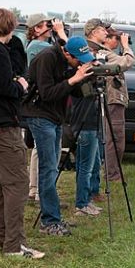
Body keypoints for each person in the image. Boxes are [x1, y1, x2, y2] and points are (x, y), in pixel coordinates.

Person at [0, 8, 44, 258]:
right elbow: (4, 86)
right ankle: (14, 245)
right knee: (16, 183)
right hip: (5, 124)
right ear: (10, 27)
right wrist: (21, 85)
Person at [23, 36, 94, 236]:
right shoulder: (47, 58)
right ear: (67, 53)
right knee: (48, 169)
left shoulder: (68, 62)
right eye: (78, 58)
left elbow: (78, 93)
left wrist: (87, 77)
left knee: (52, 168)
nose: (80, 62)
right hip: (39, 115)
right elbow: (47, 93)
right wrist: (73, 79)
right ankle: (49, 221)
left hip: (55, 117)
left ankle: (53, 216)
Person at [25, 13, 68, 203]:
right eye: (46, 25)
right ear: (36, 28)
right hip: (42, 109)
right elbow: (65, 51)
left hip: (49, 112)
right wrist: (60, 33)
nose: (50, 27)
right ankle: (39, 192)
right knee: (45, 158)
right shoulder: (38, 47)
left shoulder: (43, 45)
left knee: (43, 155)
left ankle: (39, 191)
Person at [101, 26, 135, 183]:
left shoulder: (108, 54)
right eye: (115, 38)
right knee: (115, 138)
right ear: (106, 39)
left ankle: (113, 172)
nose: (118, 41)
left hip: (115, 99)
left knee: (115, 137)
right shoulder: (106, 54)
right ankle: (112, 174)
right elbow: (127, 62)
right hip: (113, 100)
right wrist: (126, 46)